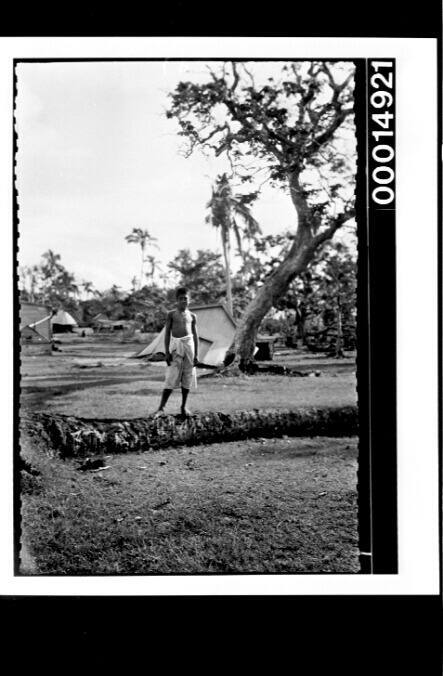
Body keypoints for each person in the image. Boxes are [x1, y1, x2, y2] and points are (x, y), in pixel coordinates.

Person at [154, 287, 199, 417]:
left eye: (186, 298)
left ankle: (184, 407)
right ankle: (161, 408)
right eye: (181, 299)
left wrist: (196, 355)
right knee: (171, 376)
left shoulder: (192, 316)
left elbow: (195, 335)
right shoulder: (171, 314)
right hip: (176, 346)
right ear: (177, 300)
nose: (183, 301)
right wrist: (167, 352)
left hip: (189, 346)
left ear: (189, 300)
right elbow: (167, 333)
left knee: (188, 376)